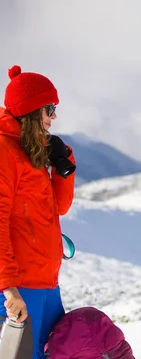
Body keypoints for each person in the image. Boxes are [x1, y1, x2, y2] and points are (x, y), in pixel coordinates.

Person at [0, 65, 76, 358]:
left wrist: (63, 163)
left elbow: (60, 207)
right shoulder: (5, 152)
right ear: (31, 112)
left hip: (47, 283)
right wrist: (8, 289)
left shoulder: (31, 150)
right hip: (20, 287)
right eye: (49, 109)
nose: (54, 116)